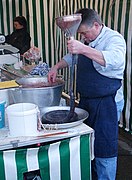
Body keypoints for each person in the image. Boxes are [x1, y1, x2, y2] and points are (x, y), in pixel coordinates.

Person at [48, 8, 126, 180]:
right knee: (87, 144)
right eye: (80, 34)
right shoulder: (88, 40)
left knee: (104, 147)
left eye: (84, 32)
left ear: (96, 25)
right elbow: (71, 57)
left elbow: (114, 59)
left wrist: (83, 48)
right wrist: (56, 66)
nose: (83, 37)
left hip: (107, 103)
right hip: (87, 101)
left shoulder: (114, 39)